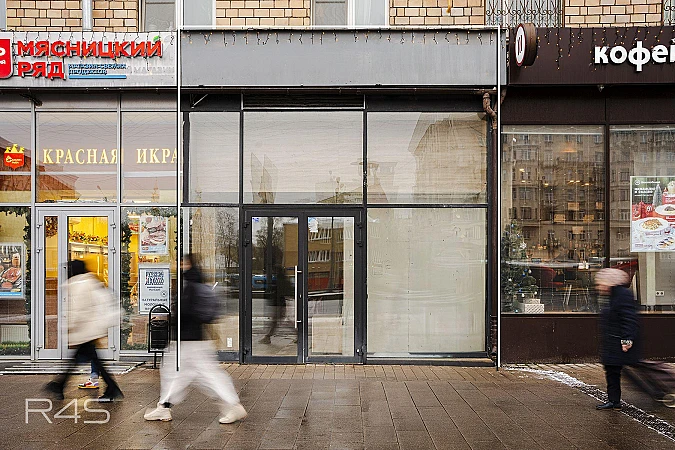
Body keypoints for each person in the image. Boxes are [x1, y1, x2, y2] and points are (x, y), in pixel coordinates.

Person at [144, 254, 247, 424]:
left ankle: (233, 405)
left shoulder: (189, 284)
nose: (178, 265)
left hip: (189, 341)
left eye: (181, 262)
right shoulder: (192, 281)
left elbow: (185, 312)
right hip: (190, 339)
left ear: (188, 264)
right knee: (176, 374)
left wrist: (171, 318)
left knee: (204, 374)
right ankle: (163, 407)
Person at [45, 260, 123, 402]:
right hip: (90, 330)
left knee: (83, 360)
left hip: (85, 331)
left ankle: (59, 385)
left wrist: (69, 327)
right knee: (90, 360)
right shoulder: (89, 281)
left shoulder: (78, 284)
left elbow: (78, 310)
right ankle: (60, 385)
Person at [595, 268, 639, 411]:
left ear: (610, 282)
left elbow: (629, 319)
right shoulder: (612, 295)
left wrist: (627, 340)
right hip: (613, 342)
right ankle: (614, 401)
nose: (599, 286)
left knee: (624, 372)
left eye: (601, 283)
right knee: (612, 371)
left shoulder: (622, 295)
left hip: (619, 343)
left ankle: (657, 393)